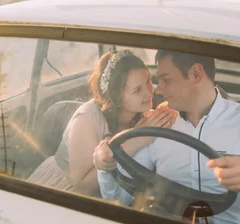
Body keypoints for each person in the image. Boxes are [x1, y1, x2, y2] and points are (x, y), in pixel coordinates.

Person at [94, 50, 240, 224]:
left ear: (196, 73)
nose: (158, 89)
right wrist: (106, 167)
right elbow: (118, 198)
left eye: (166, 79)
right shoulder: (158, 123)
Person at [28, 50, 177, 197]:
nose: (150, 93)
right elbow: (83, 188)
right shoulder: (86, 118)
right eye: (137, 90)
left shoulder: (141, 112)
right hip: (63, 191)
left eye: (148, 81)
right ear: (116, 96)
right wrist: (136, 140)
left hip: (113, 193)